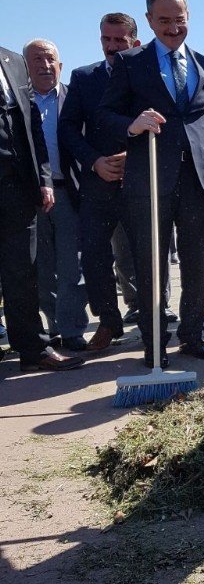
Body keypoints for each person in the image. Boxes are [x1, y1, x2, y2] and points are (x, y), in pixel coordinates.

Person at [98, 0, 204, 367]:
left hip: (197, 182)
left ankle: (193, 336)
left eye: (179, 20)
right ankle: (154, 343)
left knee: (195, 262)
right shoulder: (130, 63)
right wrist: (133, 125)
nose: (173, 28)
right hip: (150, 180)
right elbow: (105, 116)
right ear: (151, 21)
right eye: (164, 21)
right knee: (150, 264)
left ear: (189, 18)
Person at [59, 13, 144, 351]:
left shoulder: (145, 77)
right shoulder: (84, 78)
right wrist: (94, 162)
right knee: (94, 255)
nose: (112, 47)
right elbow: (67, 129)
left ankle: (153, 322)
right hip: (98, 184)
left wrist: (133, 159)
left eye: (119, 41)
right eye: (106, 40)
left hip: (138, 182)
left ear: (134, 43)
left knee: (145, 254)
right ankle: (109, 322)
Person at [0, 44, 82, 371]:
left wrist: (44, 179)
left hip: (18, 191)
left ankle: (33, 349)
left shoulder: (14, 62)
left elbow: (32, 127)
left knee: (24, 273)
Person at [24, 39, 88, 351]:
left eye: (50, 59)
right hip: (30, 199)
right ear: (25, 66)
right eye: (36, 59)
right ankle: (50, 328)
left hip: (69, 194)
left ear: (60, 66)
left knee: (71, 266)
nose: (44, 65)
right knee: (40, 268)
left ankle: (72, 328)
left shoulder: (75, 99)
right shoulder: (17, 104)